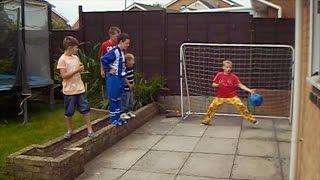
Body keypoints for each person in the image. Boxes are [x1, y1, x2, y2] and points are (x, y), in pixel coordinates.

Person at [56, 36, 94, 139]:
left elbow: (80, 67)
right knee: (69, 112)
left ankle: (90, 129)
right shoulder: (62, 60)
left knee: (85, 109)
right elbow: (64, 76)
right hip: (69, 91)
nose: (77, 50)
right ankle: (69, 131)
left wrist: (81, 68)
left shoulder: (75, 57)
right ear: (70, 47)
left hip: (80, 89)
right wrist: (77, 70)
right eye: (76, 48)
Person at [201, 60, 258, 126]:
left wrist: (249, 90)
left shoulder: (234, 77)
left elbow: (240, 85)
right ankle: (205, 121)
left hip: (232, 97)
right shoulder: (219, 75)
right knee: (211, 107)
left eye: (230, 67)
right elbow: (213, 84)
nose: (229, 69)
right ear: (223, 67)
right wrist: (218, 85)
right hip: (220, 97)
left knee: (241, 106)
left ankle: (252, 120)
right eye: (227, 67)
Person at [101, 33, 131, 125]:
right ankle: (113, 118)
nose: (128, 45)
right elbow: (104, 59)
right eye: (126, 43)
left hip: (120, 78)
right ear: (121, 42)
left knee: (118, 98)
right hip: (114, 79)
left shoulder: (122, 52)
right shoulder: (115, 51)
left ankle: (118, 117)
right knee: (113, 98)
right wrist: (109, 69)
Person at [121, 53, 137, 120]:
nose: (134, 62)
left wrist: (133, 83)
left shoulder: (131, 68)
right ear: (127, 61)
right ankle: (123, 113)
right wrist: (129, 84)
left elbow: (132, 76)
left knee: (131, 100)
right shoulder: (124, 68)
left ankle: (129, 111)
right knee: (125, 100)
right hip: (126, 88)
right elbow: (124, 77)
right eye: (132, 60)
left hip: (130, 88)